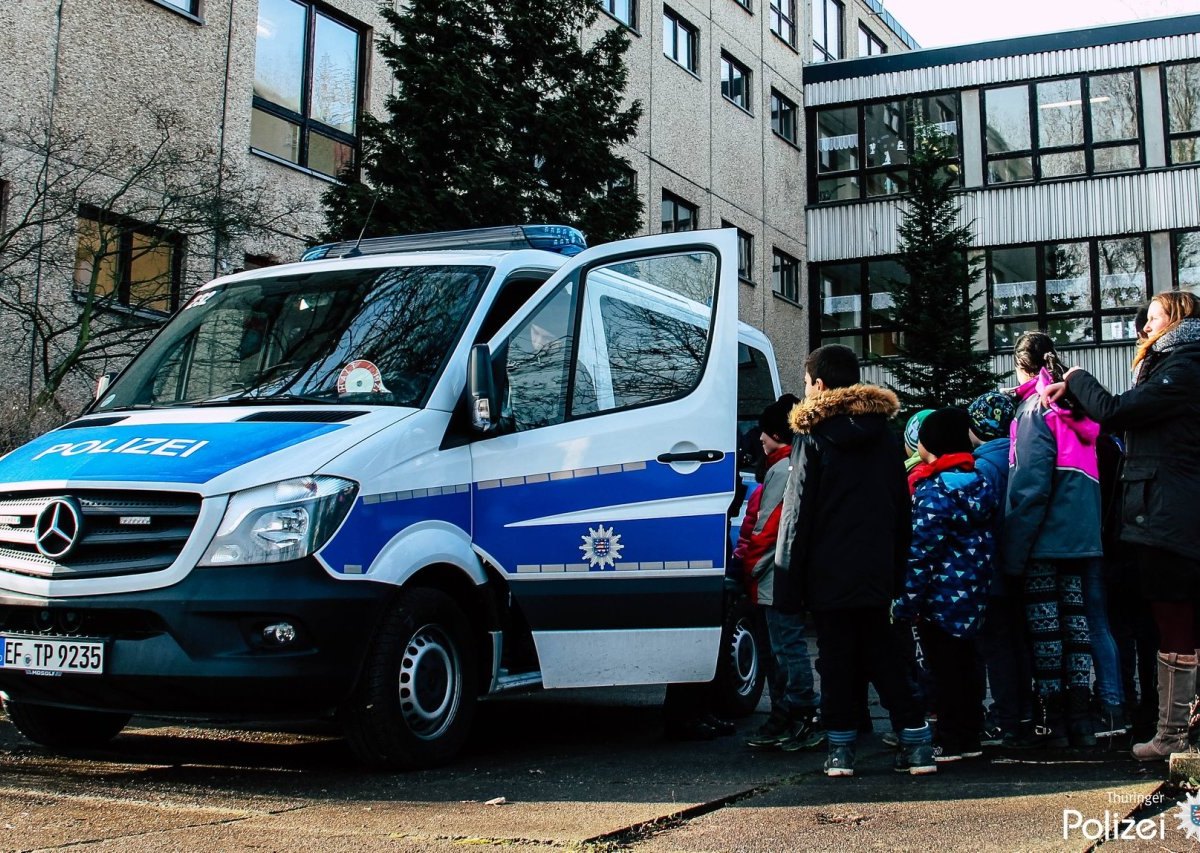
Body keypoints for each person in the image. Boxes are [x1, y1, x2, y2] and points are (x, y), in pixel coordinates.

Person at [1045, 291, 1200, 761]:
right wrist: (1078, 400)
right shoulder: (1178, 366)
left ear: (1179, 321)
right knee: (1177, 619)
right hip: (1167, 509)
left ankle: (1173, 735)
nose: (1144, 328)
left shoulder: (1186, 365)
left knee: (1174, 619)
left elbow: (1116, 411)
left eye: (1154, 319)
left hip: (1169, 514)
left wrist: (1075, 377)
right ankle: (1179, 732)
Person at [775, 344, 935, 777]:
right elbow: (901, 507)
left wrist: (787, 583)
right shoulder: (884, 434)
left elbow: (798, 512)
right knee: (888, 656)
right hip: (880, 570)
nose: (805, 391)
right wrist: (899, 572)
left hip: (829, 573)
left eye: (806, 383)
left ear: (820, 385)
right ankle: (917, 743)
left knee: (836, 659)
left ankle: (840, 751)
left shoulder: (811, 437)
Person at [1005, 331, 1101, 749]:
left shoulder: (1033, 411)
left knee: (1046, 631)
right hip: (1080, 536)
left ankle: (1052, 722)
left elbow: (1029, 487)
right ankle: (1082, 720)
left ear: (1019, 364)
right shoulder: (1074, 407)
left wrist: (1013, 551)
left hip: (1043, 537)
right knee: (1076, 625)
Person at [894, 407, 998, 762]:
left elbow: (921, 553)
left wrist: (905, 603)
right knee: (968, 666)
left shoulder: (932, 491)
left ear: (930, 445)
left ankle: (950, 739)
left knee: (943, 669)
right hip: (975, 594)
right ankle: (970, 736)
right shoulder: (980, 483)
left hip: (939, 599)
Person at [739, 395, 824, 752]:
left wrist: (747, 564)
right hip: (783, 572)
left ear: (777, 434)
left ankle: (795, 713)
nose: (760, 439)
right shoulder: (797, 463)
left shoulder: (780, 469)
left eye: (766, 434)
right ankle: (791, 714)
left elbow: (767, 526)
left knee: (785, 646)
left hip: (773, 573)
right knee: (786, 646)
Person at [966, 389, 1033, 748]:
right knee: (1017, 643)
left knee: (995, 647)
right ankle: (1022, 713)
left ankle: (1007, 719)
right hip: (1019, 564)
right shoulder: (1019, 457)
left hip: (989, 570)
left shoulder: (981, 466)